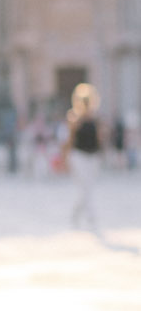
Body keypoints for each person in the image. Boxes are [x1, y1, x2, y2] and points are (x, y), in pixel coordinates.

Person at [65, 82, 103, 229]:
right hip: (78, 155)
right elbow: (70, 139)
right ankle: (91, 217)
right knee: (84, 188)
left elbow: (99, 138)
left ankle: (76, 213)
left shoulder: (96, 118)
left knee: (88, 188)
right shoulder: (74, 117)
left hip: (93, 155)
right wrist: (65, 158)